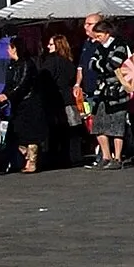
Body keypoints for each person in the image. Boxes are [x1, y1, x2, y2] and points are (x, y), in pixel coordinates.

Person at [80, 17, 133, 169]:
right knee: (98, 125)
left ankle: (117, 157)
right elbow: (91, 64)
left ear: (107, 33)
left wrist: (101, 64)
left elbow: (113, 64)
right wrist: (102, 64)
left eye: (100, 36)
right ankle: (106, 156)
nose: (97, 39)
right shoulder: (99, 47)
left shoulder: (120, 45)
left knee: (116, 125)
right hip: (101, 92)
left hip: (117, 92)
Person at [2, 36, 57, 173]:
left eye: (9, 47)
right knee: (16, 134)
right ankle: (27, 157)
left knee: (31, 134)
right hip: (18, 104)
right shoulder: (12, 65)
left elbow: (23, 83)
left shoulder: (26, 63)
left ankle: (32, 162)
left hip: (29, 103)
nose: (7, 50)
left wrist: (8, 95)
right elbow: (10, 83)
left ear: (15, 48)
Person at [41, 31, 83, 167]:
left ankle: (57, 158)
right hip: (69, 98)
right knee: (73, 130)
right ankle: (74, 157)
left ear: (58, 45)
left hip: (56, 100)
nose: (48, 46)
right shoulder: (70, 62)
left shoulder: (51, 62)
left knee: (56, 131)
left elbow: (45, 80)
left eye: (51, 44)